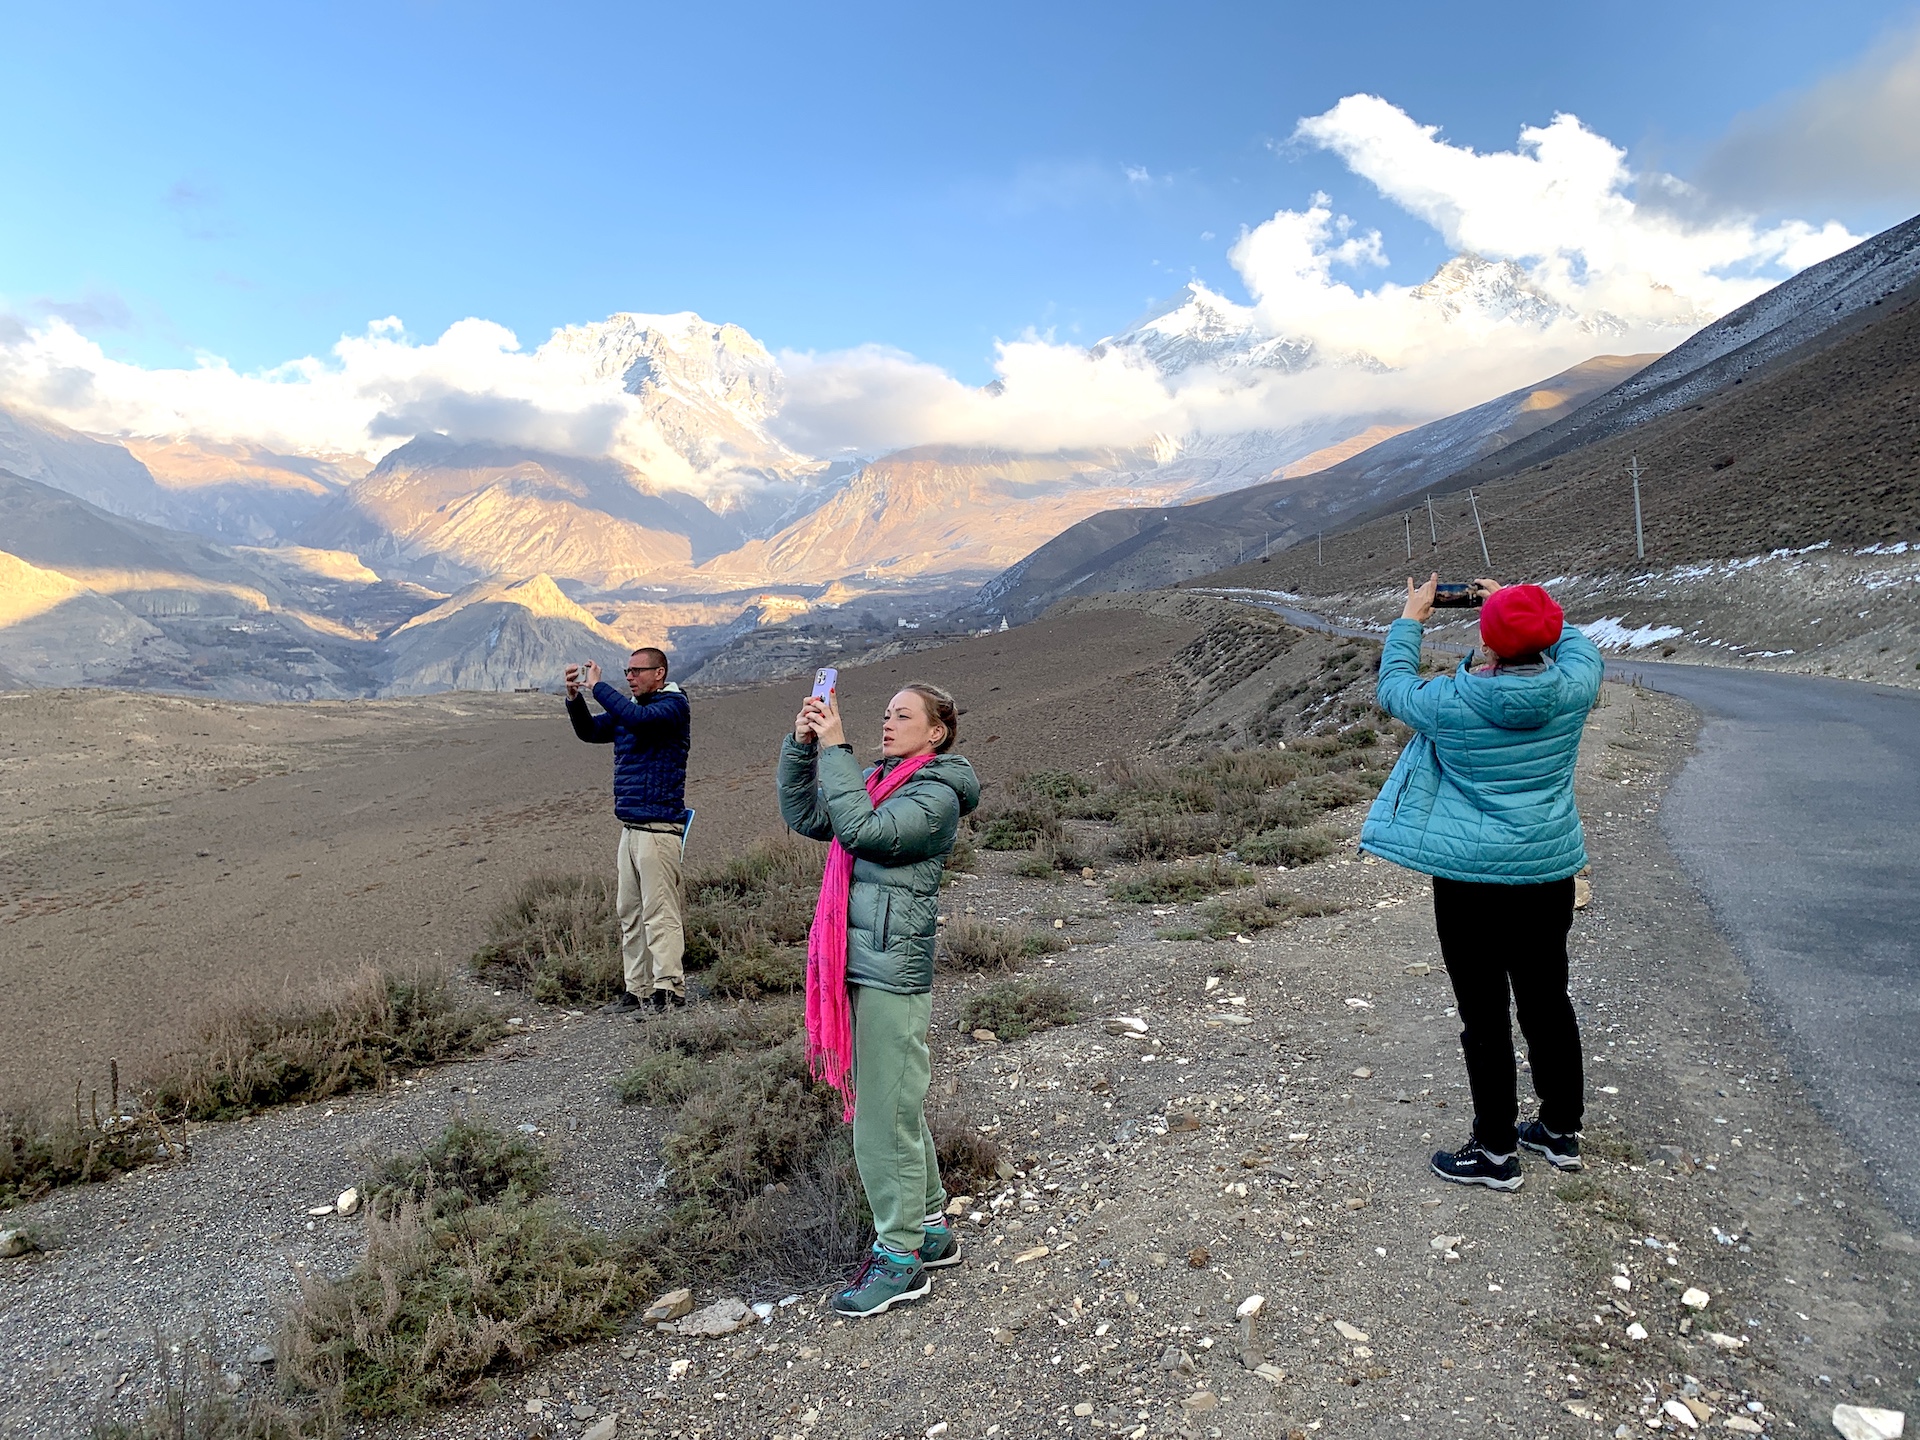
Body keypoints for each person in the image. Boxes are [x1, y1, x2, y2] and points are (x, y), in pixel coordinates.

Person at [1361, 575, 1603, 1190]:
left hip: (1469, 883)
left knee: (1485, 1013)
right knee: (1547, 1001)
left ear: (1487, 641)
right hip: (1546, 874)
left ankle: (1495, 1151)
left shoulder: (1451, 702)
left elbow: (1392, 686)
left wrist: (1411, 617)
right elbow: (1578, 646)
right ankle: (1559, 1129)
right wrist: (1521, 606)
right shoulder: (1574, 689)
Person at [777, 679, 979, 1318]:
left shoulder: (935, 795)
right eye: (886, 713)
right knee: (894, 1108)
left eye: (903, 716)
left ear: (936, 733)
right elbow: (809, 817)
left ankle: (899, 1258)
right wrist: (803, 748)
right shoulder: (878, 778)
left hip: (893, 970)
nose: (887, 723)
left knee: (880, 1121)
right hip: (861, 961)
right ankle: (930, 1230)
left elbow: (864, 832)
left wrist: (837, 750)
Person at [565, 648, 692, 1015]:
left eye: (637, 671)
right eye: (627, 671)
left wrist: (598, 686)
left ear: (660, 673)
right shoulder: (633, 711)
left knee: (659, 911)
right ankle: (637, 989)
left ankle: (669, 988)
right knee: (630, 912)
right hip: (632, 826)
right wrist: (574, 699)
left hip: (659, 828)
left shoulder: (672, 707)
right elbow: (590, 731)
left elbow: (638, 720)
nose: (630, 677)